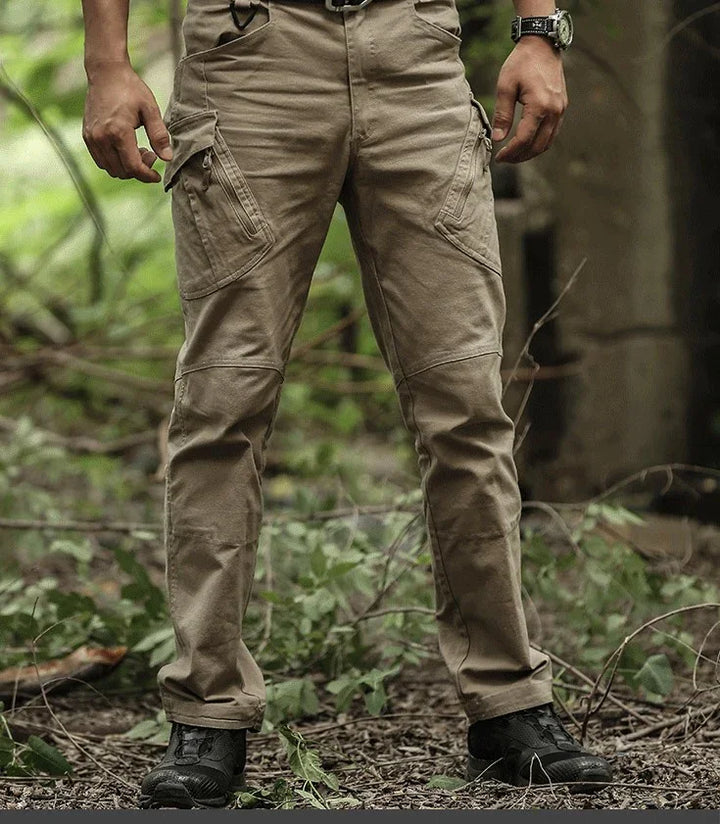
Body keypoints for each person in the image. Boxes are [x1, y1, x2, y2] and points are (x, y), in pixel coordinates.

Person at [81, 0, 613, 808]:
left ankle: (510, 704)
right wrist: (106, 63)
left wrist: (540, 29)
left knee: (465, 401)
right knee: (222, 404)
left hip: (416, 56)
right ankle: (208, 709)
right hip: (249, 54)